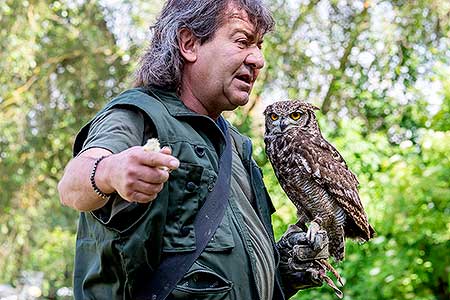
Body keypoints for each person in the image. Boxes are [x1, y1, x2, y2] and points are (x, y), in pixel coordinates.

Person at [58, 0, 330, 299]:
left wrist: (285, 270)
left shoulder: (237, 145)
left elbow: (221, 274)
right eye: (242, 41)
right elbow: (73, 185)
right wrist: (112, 171)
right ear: (189, 44)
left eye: (259, 45)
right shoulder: (139, 115)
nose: (258, 59)